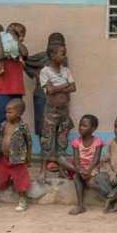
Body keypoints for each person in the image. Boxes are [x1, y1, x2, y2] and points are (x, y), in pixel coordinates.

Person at [0, 21, 28, 170]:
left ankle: (13, 159)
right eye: (16, 34)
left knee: (15, 126)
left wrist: (16, 39)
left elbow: (25, 53)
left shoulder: (17, 48)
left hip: (17, 91)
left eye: (20, 35)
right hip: (2, 92)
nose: (19, 37)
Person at [0, 97, 31, 212]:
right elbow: (1, 138)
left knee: (20, 180)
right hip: (4, 159)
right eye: (6, 112)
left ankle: (23, 198)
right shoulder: (4, 125)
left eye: (10, 112)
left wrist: (28, 158)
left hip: (18, 160)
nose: (7, 114)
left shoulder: (23, 127)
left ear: (19, 113)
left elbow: (29, 142)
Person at [39, 42, 76, 177]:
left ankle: (61, 169)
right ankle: (43, 170)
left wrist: (56, 87)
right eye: (62, 54)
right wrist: (65, 84)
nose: (64, 56)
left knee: (62, 140)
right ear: (52, 55)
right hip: (51, 110)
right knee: (47, 139)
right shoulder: (45, 71)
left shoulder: (66, 70)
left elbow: (74, 87)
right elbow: (49, 90)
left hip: (64, 110)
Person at [24, 32, 66, 149]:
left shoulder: (64, 58)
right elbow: (25, 62)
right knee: (42, 126)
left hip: (58, 98)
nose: (57, 46)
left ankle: (55, 156)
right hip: (41, 96)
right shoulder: (42, 56)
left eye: (60, 43)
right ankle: (46, 156)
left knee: (58, 126)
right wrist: (34, 74)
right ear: (48, 45)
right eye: (54, 43)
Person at [58, 114, 103, 215]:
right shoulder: (76, 142)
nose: (80, 128)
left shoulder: (98, 142)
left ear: (93, 128)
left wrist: (89, 170)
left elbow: (96, 159)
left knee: (85, 180)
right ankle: (80, 205)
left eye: (84, 125)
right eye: (80, 125)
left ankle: (83, 179)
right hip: (79, 168)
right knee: (61, 159)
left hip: (92, 169)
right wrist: (80, 169)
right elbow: (76, 159)